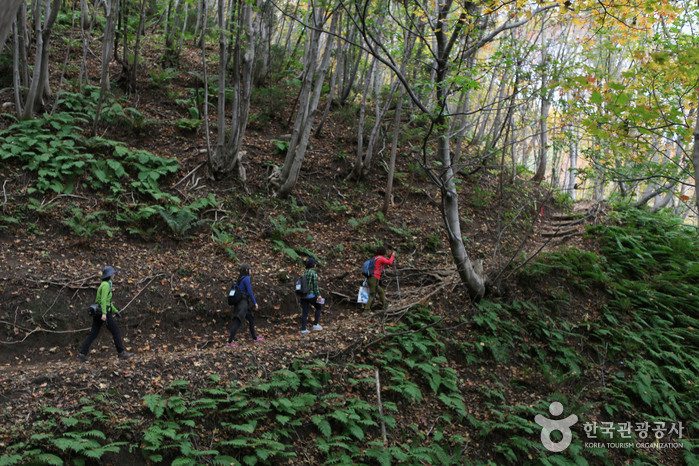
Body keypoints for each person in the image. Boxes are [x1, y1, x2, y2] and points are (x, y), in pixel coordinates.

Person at [78, 266, 134, 362]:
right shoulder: (105, 285)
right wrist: (104, 314)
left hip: (101, 311)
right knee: (115, 331)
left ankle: (82, 354)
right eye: (113, 273)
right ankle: (121, 353)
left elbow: (108, 302)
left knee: (94, 333)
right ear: (110, 275)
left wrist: (116, 311)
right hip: (103, 312)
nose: (114, 275)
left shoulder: (106, 284)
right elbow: (103, 301)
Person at [227, 264, 264, 348]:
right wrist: (255, 303)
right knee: (238, 321)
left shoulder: (240, 279)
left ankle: (255, 338)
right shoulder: (247, 278)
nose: (251, 271)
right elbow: (249, 292)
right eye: (250, 269)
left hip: (240, 303)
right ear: (246, 270)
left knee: (251, 318)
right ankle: (229, 342)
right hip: (243, 304)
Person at [364, 246, 395, 312]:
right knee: (372, 294)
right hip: (374, 279)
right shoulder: (381, 258)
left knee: (381, 291)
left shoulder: (375, 258)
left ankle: (385, 306)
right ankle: (367, 310)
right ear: (383, 252)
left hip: (371, 278)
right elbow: (390, 262)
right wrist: (392, 255)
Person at [300, 257, 323, 335]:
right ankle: (315, 325)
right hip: (311, 295)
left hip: (302, 296)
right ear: (313, 265)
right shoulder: (313, 273)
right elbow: (315, 286)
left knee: (305, 313)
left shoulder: (304, 273)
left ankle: (303, 330)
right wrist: (318, 295)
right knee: (319, 307)